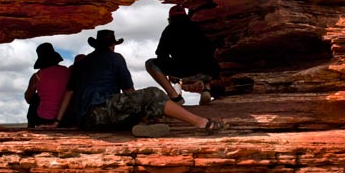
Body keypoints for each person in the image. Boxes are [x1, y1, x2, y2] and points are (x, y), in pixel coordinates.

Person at [54, 29, 226, 136]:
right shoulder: (115, 58)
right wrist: (142, 106)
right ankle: (201, 123)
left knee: (137, 107)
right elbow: (129, 90)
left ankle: (141, 125)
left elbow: (69, 93)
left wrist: (57, 121)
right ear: (112, 45)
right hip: (102, 111)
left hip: (85, 120)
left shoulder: (80, 64)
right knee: (152, 94)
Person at [145, 6, 220, 105]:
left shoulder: (169, 30)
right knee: (207, 58)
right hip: (208, 70)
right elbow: (211, 48)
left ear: (170, 18)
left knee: (150, 63)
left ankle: (175, 97)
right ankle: (207, 89)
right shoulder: (197, 27)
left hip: (184, 69)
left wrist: (170, 74)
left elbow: (162, 55)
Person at [24, 43, 72, 128]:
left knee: (34, 98)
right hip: (65, 116)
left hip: (43, 117)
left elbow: (28, 97)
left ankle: (30, 128)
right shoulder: (67, 71)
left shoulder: (37, 76)